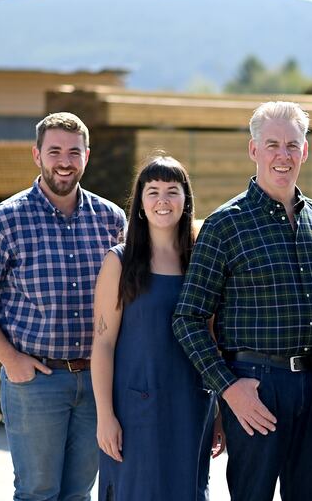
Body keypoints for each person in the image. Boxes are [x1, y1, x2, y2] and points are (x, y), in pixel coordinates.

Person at [0, 112, 126, 500]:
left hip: (97, 380)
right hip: (37, 382)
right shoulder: (4, 221)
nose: (64, 161)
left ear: (87, 156)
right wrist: (10, 360)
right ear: (36, 155)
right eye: (54, 151)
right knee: (37, 491)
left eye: (73, 152)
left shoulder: (110, 219)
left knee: (79, 493)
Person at [173, 101, 312, 501]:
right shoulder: (225, 225)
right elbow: (188, 318)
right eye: (272, 145)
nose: (283, 155)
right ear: (253, 150)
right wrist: (227, 388)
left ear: (305, 150)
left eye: (292, 145)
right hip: (255, 387)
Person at [91, 155, 224, 500]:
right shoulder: (119, 262)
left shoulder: (201, 261)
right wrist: (105, 416)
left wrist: (220, 409)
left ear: (186, 200)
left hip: (191, 404)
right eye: (153, 191)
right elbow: (103, 344)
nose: (162, 200)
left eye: (172, 191)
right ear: (139, 204)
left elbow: (211, 339)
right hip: (135, 410)